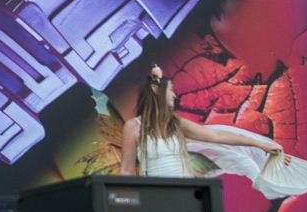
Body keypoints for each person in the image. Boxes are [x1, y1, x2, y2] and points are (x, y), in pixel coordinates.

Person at [121, 65, 283, 177]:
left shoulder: (176, 123)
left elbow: (217, 135)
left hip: (184, 191)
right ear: (156, 90)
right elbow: (127, 170)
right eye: (170, 90)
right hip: (157, 196)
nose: (174, 95)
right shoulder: (133, 127)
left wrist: (260, 144)